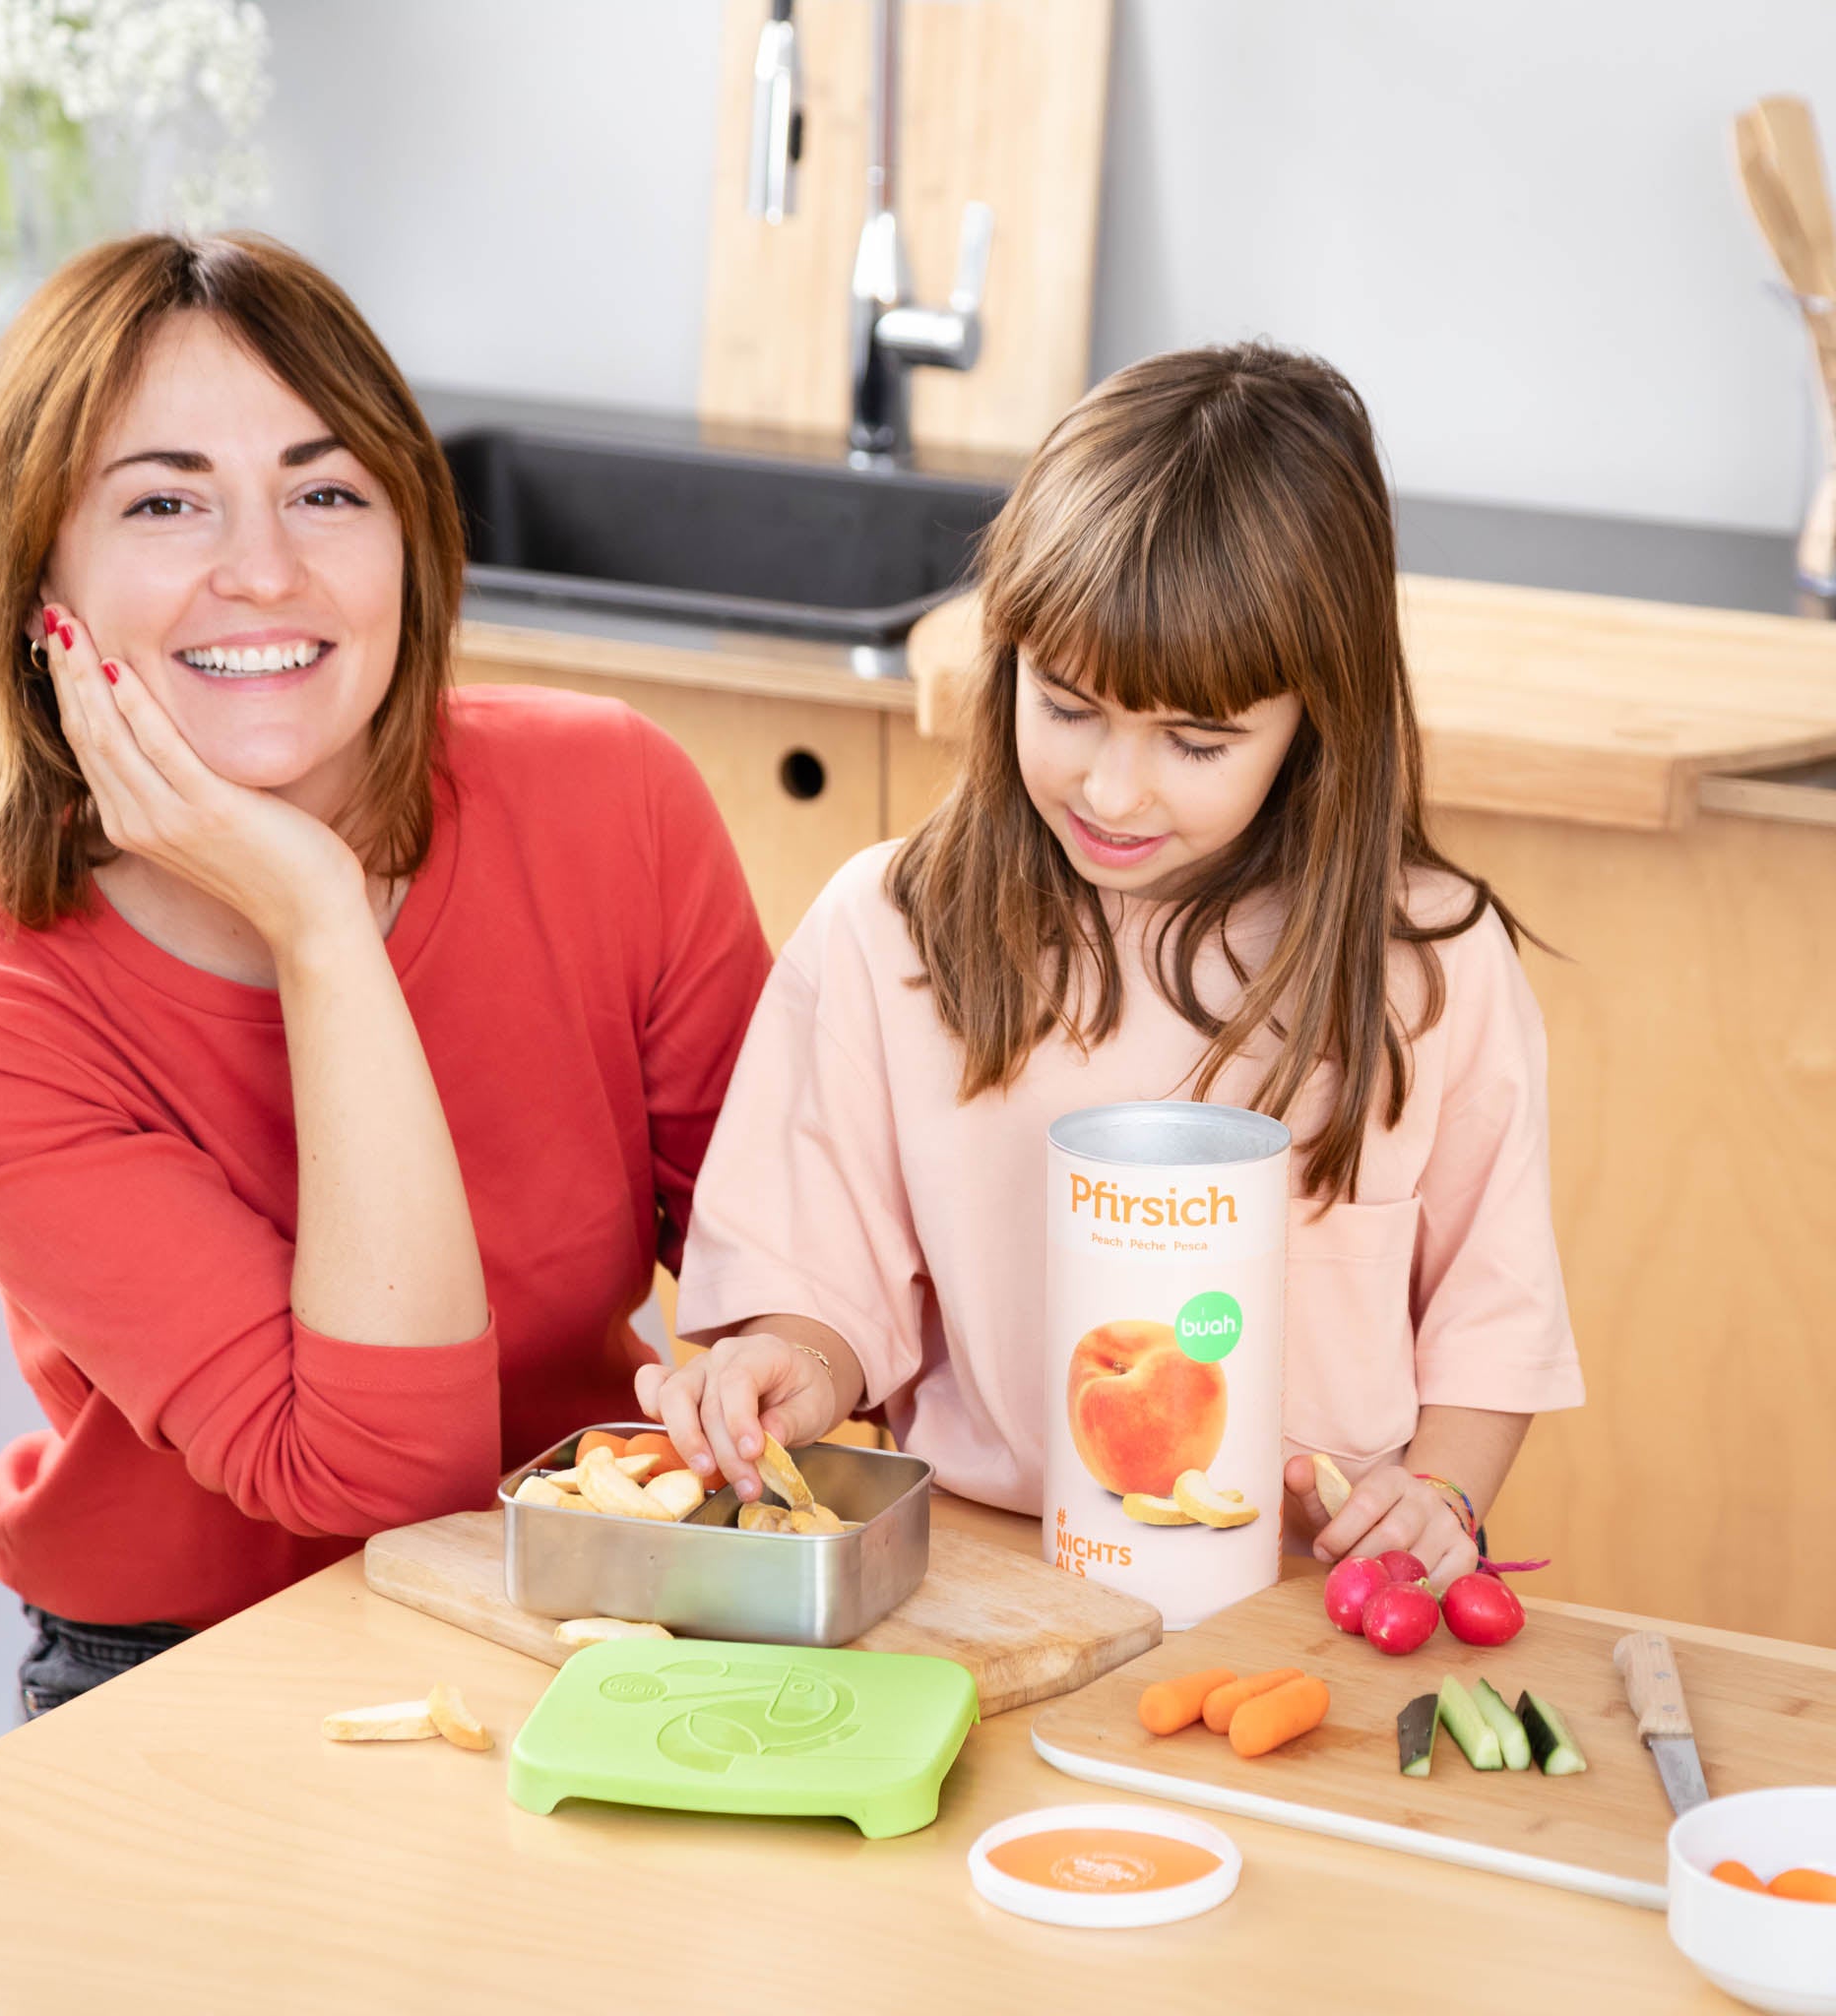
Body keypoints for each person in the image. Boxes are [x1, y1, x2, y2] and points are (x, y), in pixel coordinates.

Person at [0, 233, 771, 1714]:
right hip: (183, 1675)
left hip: (606, 1606)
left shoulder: (614, 800)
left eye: (326, 492)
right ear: (40, 595)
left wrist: (786, 1343)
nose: (265, 570)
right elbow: (381, 1480)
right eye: (165, 502)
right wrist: (322, 921)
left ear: (410, 540)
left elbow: (786, 1259)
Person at [638, 344, 1584, 1589]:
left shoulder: (1427, 963)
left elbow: (1488, 1316)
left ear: (1317, 718)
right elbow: (819, 1277)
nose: (1111, 787)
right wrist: (795, 1365)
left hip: (1305, 1589)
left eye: (1195, 742)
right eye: (1067, 704)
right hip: (980, 1568)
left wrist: (1439, 1495)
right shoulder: (888, 929)